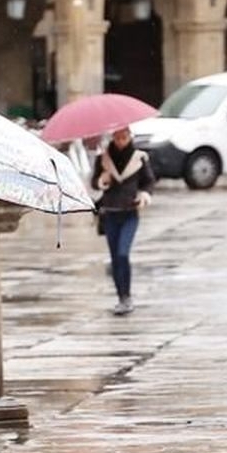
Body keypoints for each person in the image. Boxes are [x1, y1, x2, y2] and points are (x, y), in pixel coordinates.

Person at [91, 126, 155, 316]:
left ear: (129, 137)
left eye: (124, 137)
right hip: (110, 213)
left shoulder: (139, 158)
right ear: (113, 137)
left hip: (129, 213)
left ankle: (127, 296)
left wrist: (143, 195)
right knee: (114, 258)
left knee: (122, 254)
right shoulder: (103, 159)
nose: (121, 141)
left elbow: (148, 181)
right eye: (117, 137)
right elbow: (94, 182)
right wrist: (102, 179)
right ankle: (121, 297)